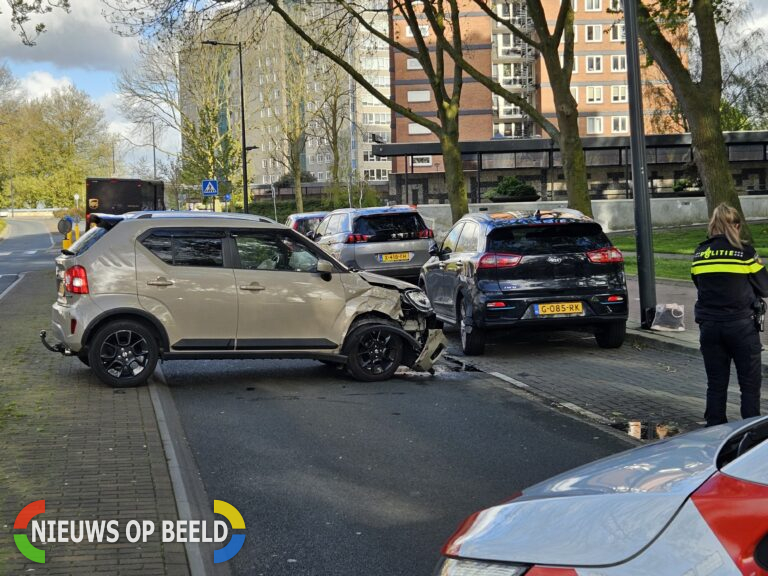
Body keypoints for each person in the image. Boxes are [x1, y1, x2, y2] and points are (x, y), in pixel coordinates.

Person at [692, 203, 768, 426]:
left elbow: (698, 283)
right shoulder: (745, 253)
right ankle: (750, 434)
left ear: (713, 224)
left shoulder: (700, 253)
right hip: (741, 326)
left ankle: (714, 432)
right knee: (749, 385)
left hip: (710, 327)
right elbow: (765, 287)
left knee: (716, 384)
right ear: (736, 225)